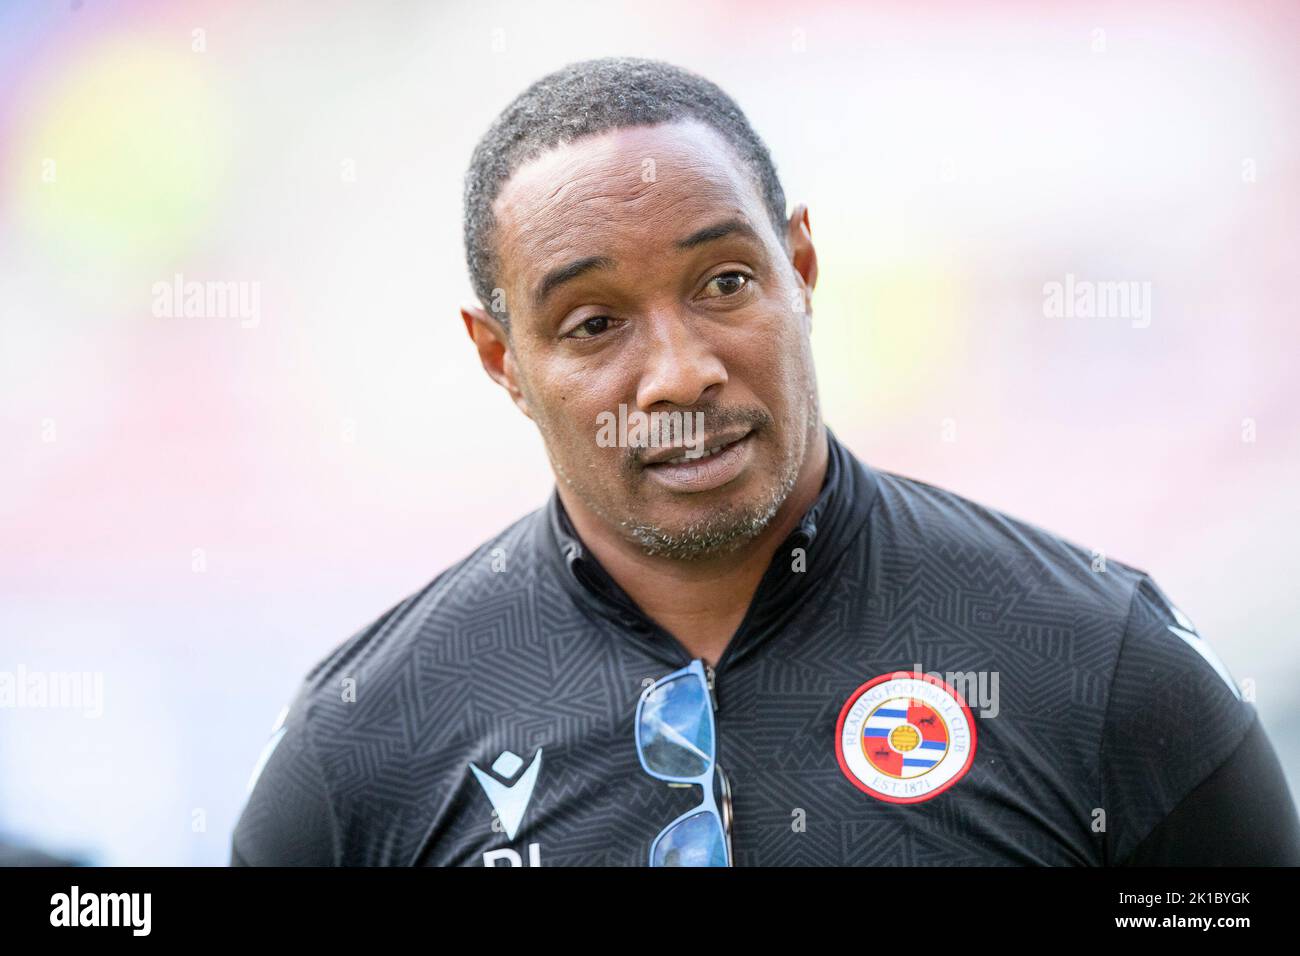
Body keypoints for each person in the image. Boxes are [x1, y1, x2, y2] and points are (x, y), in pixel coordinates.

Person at [231, 57, 1300, 866]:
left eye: (725, 282)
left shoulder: (1098, 663)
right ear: (502, 358)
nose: (680, 372)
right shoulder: (367, 745)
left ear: (799, 267)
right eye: (595, 321)